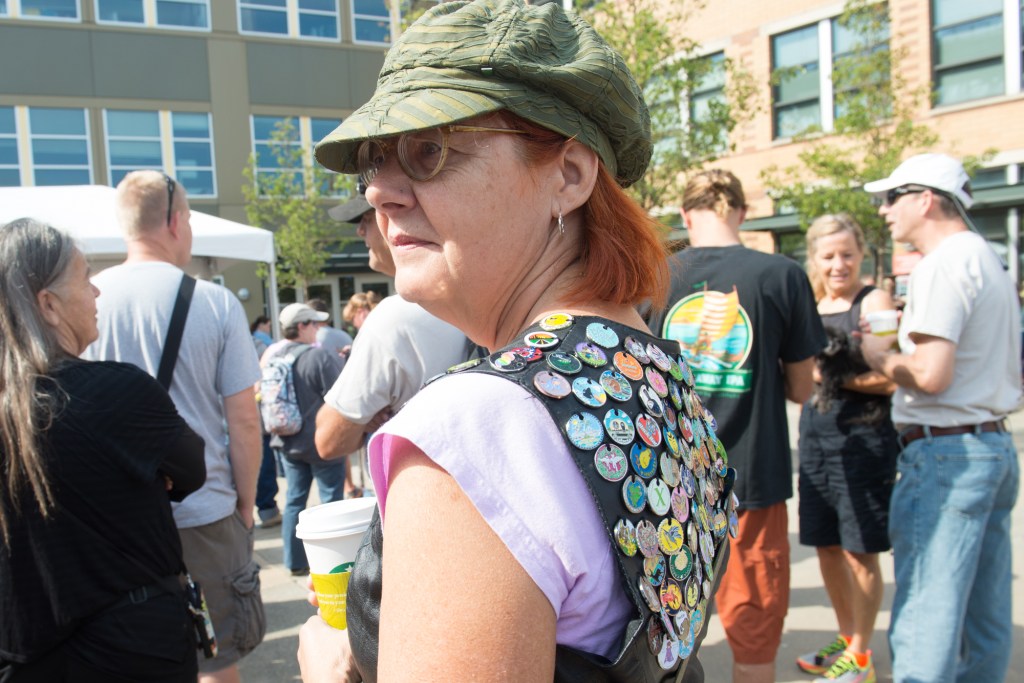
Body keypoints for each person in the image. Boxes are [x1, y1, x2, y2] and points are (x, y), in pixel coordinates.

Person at [299, 1, 735, 680]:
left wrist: (335, 667)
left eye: (428, 149)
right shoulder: (656, 374)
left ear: (569, 175)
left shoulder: (473, 426)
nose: (380, 191)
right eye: (373, 161)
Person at [0, 218, 206, 682]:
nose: (96, 293)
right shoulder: (115, 392)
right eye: (86, 277)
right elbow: (191, 468)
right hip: (133, 650)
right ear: (47, 305)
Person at [84, 170, 266, 683]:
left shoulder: (87, 298)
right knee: (217, 658)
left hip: (116, 517)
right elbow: (244, 420)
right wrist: (246, 505)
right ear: (176, 222)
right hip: (204, 508)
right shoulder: (212, 301)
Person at [647, 169, 826, 683]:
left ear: (685, 215)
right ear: (742, 212)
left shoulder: (656, 273)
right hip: (753, 477)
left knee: (666, 637)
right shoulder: (782, 275)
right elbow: (801, 389)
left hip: (669, 486)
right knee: (752, 632)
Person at [860, 153, 1021, 683]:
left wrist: (881, 358)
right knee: (986, 613)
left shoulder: (941, 263)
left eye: (891, 198)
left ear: (924, 198)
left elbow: (931, 374)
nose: (884, 211)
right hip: (990, 446)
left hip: (945, 452)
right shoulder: (986, 257)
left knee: (928, 615)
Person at [795, 214, 899, 683]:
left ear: (861, 254)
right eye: (829, 256)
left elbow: (892, 377)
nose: (839, 264)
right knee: (826, 547)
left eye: (847, 254)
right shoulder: (811, 302)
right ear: (814, 258)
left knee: (860, 550)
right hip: (816, 438)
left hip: (865, 440)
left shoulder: (873, 300)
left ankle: (861, 654)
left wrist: (836, 377)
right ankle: (845, 635)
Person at [314, 188, 470, 473]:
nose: (361, 231)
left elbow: (328, 440)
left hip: (418, 494)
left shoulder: (395, 316)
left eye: (366, 217)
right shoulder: (471, 296)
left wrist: (366, 418)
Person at [264, 303, 347, 576]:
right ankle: (333, 563)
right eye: (314, 324)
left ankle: (295, 562)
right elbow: (339, 394)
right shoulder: (319, 357)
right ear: (301, 326)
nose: (318, 329)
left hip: (287, 442)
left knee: (294, 501)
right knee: (330, 502)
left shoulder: (274, 355)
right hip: (321, 443)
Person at [251, 315, 283, 529]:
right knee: (263, 464)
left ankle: (265, 510)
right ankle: (267, 510)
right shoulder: (260, 346)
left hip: (230, 418)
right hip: (254, 416)